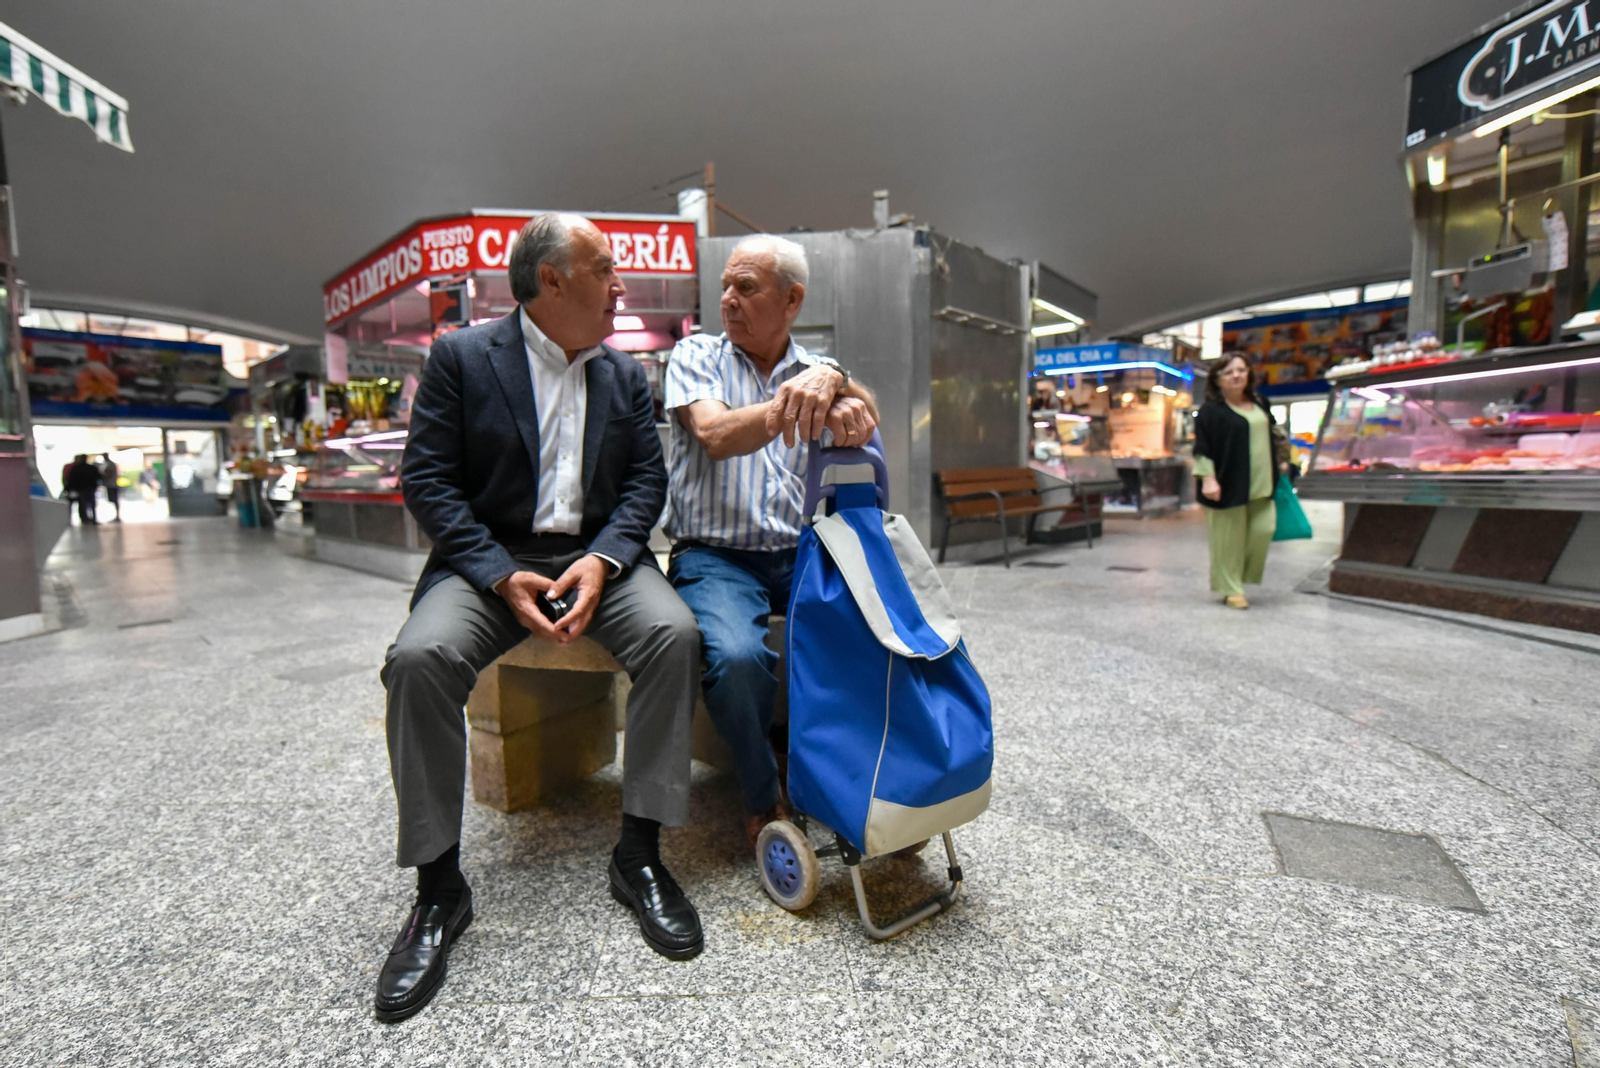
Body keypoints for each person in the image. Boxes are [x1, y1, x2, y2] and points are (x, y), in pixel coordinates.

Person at [375, 213, 705, 1023]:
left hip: (601, 560)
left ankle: (640, 855)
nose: (620, 285)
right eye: (605, 269)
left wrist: (607, 558)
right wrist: (495, 571)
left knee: (675, 636)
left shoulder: (626, 376)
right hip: (487, 561)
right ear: (551, 280)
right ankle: (438, 890)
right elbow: (428, 481)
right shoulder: (460, 359)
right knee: (418, 660)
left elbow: (643, 487)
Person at [663, 235, 878, 851]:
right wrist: (799, 398)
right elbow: (714, 433)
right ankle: (763, 792)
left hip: (802, 548)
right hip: (714, 555)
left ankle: (869, 780)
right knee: (733, 659)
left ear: (792, 299)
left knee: (875, 634)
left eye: (746, 288)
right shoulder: (696, 354)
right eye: (725, 287)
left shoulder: (816, 366)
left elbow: (875, 412)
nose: (728, 300)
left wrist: (836, 383)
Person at [1193, 353, 1288, 609]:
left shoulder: (1260, 402)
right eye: (1229, 372)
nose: (1237, 376)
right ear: (1218, 380)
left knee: (1263, 530)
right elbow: (1202, 448)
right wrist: (1208, 479)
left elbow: (1275, 434)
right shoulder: (1210, 412)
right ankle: (1231, 588)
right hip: (1227, 482)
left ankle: (1239, 577)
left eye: (1241, 370)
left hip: (1263, 481)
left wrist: (1282, 459)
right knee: (1228, 540)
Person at [64, 454, 101, 525]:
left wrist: (69, 488)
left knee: (83, 504)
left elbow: (71, 479)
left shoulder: (76, 468)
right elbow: (98, 477)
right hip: (90, 488)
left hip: (81, 488)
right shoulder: (91, 468)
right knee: (91, 504)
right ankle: (92, 518)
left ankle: (85, 518)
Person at [100, 455, 122, 522]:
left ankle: (117, 516)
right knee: (113, 500)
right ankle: (117, 516)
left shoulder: (110, 464)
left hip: (112, 485)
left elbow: (109, 473)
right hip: (110, 485)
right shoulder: (108, 464)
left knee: (114, 500)